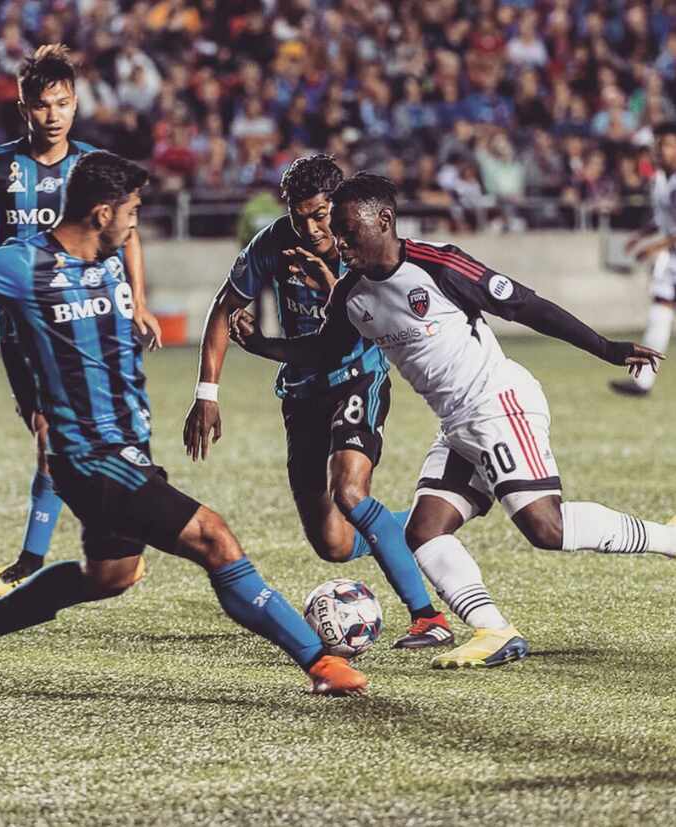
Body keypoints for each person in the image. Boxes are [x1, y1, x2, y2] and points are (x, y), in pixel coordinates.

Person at [0, 151, 366, 696]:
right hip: (89, 456)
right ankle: (319, 663)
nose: (135, 224)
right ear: (100, 213)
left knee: (109, 576)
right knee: (214, 538)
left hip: (127, 448)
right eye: (132, 213)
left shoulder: (109, 259)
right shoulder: (26, 265)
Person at [229, 172, 674, 669]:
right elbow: (322, 350)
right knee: (424, 531)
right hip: (456, 425)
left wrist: (608, 349)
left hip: (497, 403)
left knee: (545, 528)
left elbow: (526, 305)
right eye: (339, 232)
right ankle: (492, 630)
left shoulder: (437, 263)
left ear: (385, 220)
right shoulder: (350, 293)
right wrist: (260, 345)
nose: (342, 243)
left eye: (350, 232)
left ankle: (668, 540)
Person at [183, 155, 453, 651]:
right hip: (302, 388)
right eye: (299, 216)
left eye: (320, 214)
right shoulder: (273, 243)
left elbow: (366, 320)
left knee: (349, 492)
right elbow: (224, 309)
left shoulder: (361, 244)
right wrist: (207, 392)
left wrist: (330, 286)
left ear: (338, 204)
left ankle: (427, 617)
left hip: (357, 375)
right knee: (332, 543)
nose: (310, 228)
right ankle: (427, 517)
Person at [0, 45, 162, 597]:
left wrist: (138, 303)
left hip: (89, 318)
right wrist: (5, 275)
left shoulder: (94, 166)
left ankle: (31, 560)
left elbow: (131, 233)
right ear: (24, 108)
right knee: (57, 434)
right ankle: (123, 543)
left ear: (76, 105)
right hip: (25, 324)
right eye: (42, 105)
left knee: (68, 432)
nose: (53, 115)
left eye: (63, 103)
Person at [611, 121, 676, 396]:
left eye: (668, 145)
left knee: (661, 308)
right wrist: (642, 235)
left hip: (670, 252)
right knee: (660, 309)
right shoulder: (661, 179)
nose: (661, 151)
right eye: (658, 146)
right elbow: (665, 220)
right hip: (672, 256)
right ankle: (643, 381)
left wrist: (653, 247)